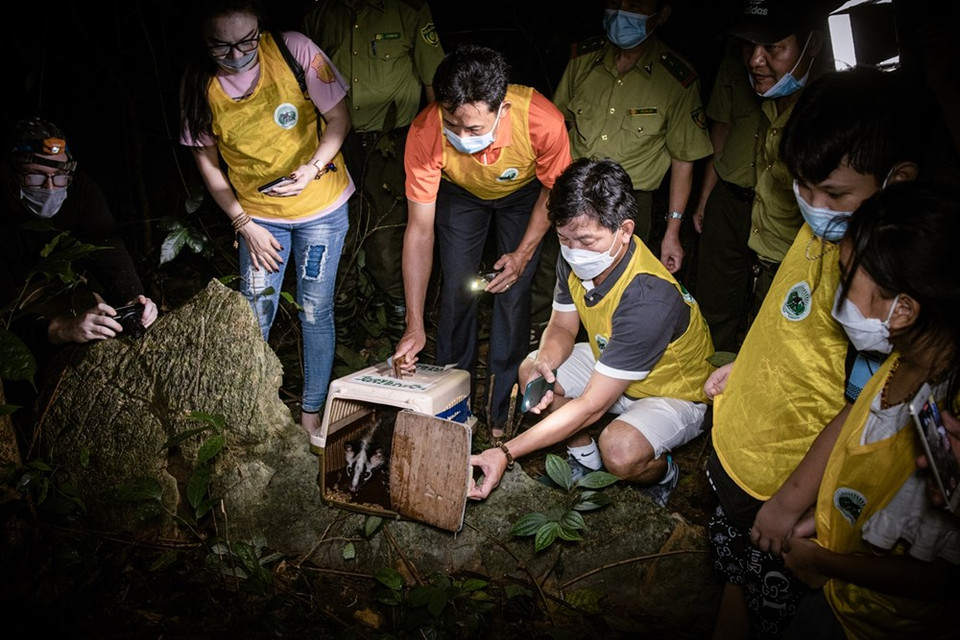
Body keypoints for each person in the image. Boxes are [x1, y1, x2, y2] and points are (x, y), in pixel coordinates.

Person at [703, 67, 921, 638]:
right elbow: (787, 311)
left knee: (770, 603)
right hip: (742, 450)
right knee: (735, 575)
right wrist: (744, 365)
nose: (812, 203)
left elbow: (863, 411)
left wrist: (785, 506)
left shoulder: (881, 284)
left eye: (832, 194)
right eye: (802, 185)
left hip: (787, 487)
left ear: (896, 181)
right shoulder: (832, 225)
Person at [468, 158, 714, 507]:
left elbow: (591, 407)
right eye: (564, 238)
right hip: (610, 360)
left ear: (625, 230)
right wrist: (546, 362)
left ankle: (663, 471)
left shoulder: (648, 299)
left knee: (621, 450)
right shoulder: (574, 255)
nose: (573, 252)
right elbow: (563, 326)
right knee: (532, 370)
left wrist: (505, 453)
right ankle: (584, 460)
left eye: (586, 240)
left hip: (672, 390)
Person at [778, 182, 960, 638]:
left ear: (903, 310)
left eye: (847, 277)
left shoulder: (948, 423)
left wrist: (822, 560)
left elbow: (941, 576)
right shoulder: (906, 358)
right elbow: (856, 427)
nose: (838, 292)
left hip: (871, 622)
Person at [179, 0, 354, 441]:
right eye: (222, 47)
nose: (237, 55)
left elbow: (338, 118)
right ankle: (250, 413)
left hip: (321, 208)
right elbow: (208, 164)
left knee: (316, 310)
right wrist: (243, 223)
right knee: (255, 311)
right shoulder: (197, 83)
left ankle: (312, 414)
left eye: (246, 42)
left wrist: (312, 168)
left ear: (260, 27)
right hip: (259, 220)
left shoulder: (294, 50)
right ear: (204, 42)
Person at [392, 44, 571, 437]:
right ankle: (450, 400)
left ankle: (501, 409)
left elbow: (550, 192)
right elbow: (420, 230)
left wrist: (522, 255)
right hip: (460, 194)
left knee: (513, 290)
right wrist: (415, 323)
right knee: (458, 286)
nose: (460, 136)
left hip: (525, 195)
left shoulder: (542, 120)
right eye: (451, 125)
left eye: (473, 129)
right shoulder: (425, 130)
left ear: (501, 110)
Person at [302, 0, 444, 345]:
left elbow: (435, 85)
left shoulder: (407, 11)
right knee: (337, 238)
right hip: (333, 143)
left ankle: (405, 333)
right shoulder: (319, 15)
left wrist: (433, 146)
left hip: (394, 142)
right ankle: (342, 337)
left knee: (387, 243)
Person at [552, 0, 713, 275]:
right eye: (615, 3)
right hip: (573, 188)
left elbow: (683, 159)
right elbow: (557, 126)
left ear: (661, 14)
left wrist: (672, 231)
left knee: (619, 280)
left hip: (630, 200)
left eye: (635, 5)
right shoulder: (583, 60)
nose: (622, 12)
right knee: (555, 276)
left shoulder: (676, 80)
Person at [702, 0, 827, 345]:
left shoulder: (828, 115)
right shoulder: (770, 104)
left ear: (812, 45)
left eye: (773, 47)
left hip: (793, 261)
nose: (756, 60)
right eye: (750, 47)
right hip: (754, 237)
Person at [0, 116, 158, 357]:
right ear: (8, 173)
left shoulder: (80, 190)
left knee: (102, 322)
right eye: (35, 176)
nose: (50, 188)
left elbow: (109, 252)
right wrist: (60, 329)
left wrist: (134, 301)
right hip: (13, 301)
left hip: (60, 286)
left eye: (60, 176)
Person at [690, 36, 762, 352]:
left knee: (769, 299)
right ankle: (709, 373)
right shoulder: (735, 63)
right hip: (730, 196)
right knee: (715, 296)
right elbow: (720, 132)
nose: (757, 59)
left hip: (776, 206)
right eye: (751, 46)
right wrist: (705, 198)